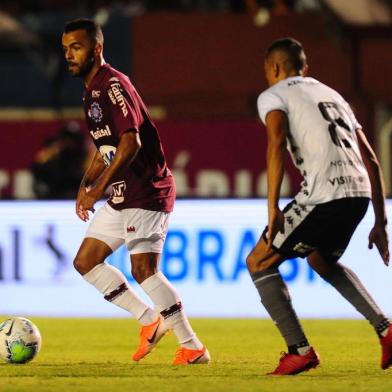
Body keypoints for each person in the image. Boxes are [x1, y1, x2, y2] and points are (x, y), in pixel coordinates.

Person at [61, 18, 210, 365]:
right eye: (65, 48)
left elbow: (131, 142)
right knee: (85, 261)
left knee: (145, 269)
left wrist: (97, 188)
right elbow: (107, 147)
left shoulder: (113, 85)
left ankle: (192, 347)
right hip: (121, 194)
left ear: (96, 49)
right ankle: (149, 321)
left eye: (76, 47)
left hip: (146, 191)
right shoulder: (90, 90)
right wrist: (87, 183)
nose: (69, 54)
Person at [246, 37, 392, 375]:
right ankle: (386, 329)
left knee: (259, 261)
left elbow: (276, 144)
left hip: (324, 195)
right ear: (305, 69)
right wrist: (381, 222)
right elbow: (371, 157)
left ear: (274, 68)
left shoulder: (273, 95)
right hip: (359, 193)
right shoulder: (333, 95)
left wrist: (272, 207)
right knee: (321, 259)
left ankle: (300, 350)